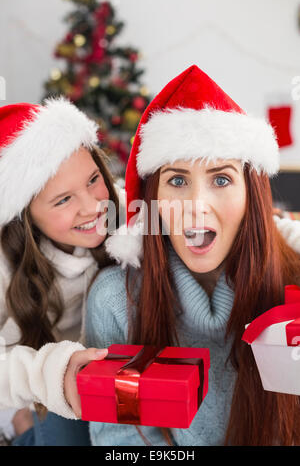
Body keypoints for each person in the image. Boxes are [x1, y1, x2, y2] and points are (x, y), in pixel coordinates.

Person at [86, 65, 300, 446]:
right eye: (178, 180)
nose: (196, 206)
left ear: (252, 196)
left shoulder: (294, 280)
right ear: (153, 199)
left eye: (221, 179)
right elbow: (121, 440)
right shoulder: (115, 301)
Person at [0, 97, 123, 445]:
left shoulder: (124, 210)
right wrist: (46, 378)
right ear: (25, 216)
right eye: (63, 200)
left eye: (93, 180)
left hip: (109, 377)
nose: (92, 206)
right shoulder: (5, 265)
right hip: (44, 383)